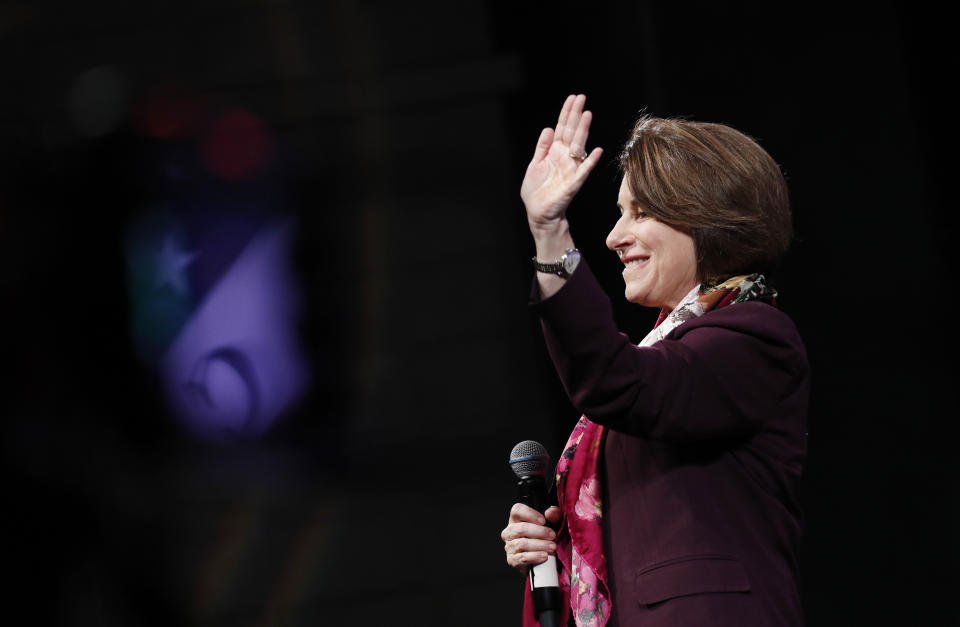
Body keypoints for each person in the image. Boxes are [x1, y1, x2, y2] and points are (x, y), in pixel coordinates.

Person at [500, 94, 808, 627]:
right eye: (621, 213)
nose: (615, 237)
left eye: (640, 213)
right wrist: (551, 538)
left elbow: (616, 383)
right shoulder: (665, 353)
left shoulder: (755, 340)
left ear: (708, 219)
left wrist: (551, 234)